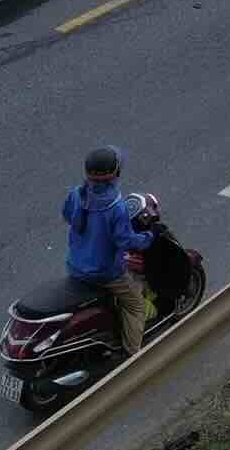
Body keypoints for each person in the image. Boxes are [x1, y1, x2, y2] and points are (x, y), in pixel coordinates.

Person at [62, 144, 154, 356]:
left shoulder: (76, 194)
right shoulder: (116, 207)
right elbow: (126, 240)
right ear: (116, 173)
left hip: (74, 265)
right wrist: (149, 237)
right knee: (136, 306)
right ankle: (133, 356)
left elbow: (68, 216)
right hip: (105, 273)